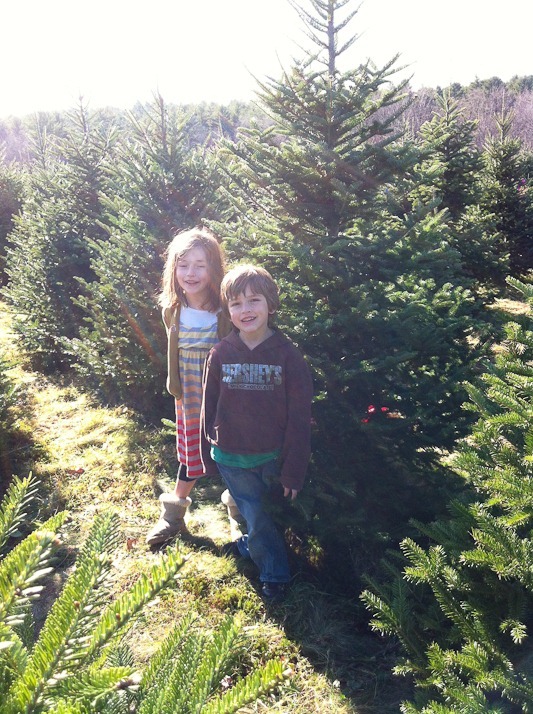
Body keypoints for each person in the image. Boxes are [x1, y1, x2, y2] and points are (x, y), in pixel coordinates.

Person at [201, 264, 313, 601]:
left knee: (261, 514)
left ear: (271, 305)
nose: (245, 310)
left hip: (271, 456)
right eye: (236, 303)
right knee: (257, 513)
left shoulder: (288, 356)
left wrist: (293, 470)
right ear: (228, 310)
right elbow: (209, 406)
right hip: (231, 457)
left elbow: (300, 417)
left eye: (254, 300)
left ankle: (248, 545)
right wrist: (209, 452)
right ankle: (275, 575)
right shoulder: (220, 353)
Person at [146, 226, 233, 546]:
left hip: (224, 395)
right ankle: (173, 515)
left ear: (214, 269)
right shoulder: (173, 310)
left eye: (200, 265)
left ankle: (239, 515)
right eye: (183, 265)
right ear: (174, 270)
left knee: (232, 450)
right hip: (190, 396)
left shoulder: (226, 309)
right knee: (190, 451)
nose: (191, 273)